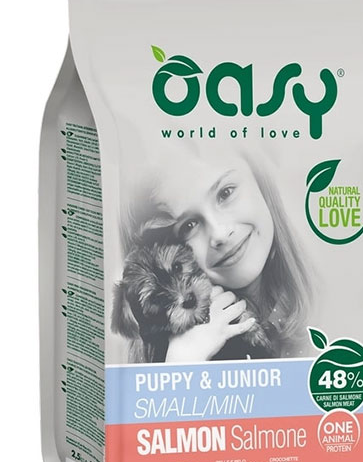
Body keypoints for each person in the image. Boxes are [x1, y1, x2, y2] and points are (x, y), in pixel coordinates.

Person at [120, 146, 313, 362]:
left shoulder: (324, 299)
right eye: (189, 225)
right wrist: (181, 364)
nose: (220, 233)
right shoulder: (179, 353)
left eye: (226, 193)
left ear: (260, 179)